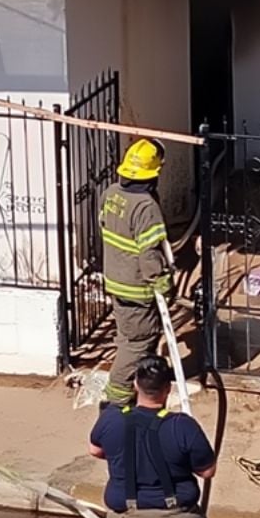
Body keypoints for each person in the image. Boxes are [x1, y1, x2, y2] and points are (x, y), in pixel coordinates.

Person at [89, 356, 217, 518]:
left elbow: (95, 450)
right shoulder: (182, 426)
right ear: (168, 389)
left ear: (135, 384)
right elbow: (207, 471)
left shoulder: (112, 419)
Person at [99, 139, 173, 406]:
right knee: (138, 343)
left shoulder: (111, 193)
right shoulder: (145, 207)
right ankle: (115, 402)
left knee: (127, 339)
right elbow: (149, 253)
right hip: (137, 288)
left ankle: (138, 393)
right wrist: (163, 282)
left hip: (116, 282)